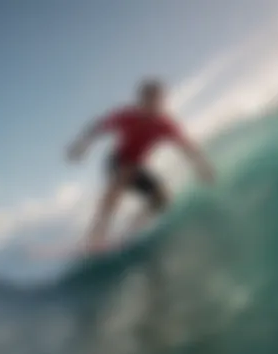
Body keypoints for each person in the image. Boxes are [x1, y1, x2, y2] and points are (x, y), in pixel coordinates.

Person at [66, 79, 215, 251]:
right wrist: (80, 146)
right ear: (141, 100)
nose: (154, 105)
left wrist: (202, 166)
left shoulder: (164, 124)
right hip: (117, 161)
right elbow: (97, 127)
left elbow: (186, 146)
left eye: (158, 100)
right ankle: (96, 234)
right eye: (149, 100)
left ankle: (130, 232)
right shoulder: (126, 116)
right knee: (123, 176)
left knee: (162, 199)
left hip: (137, 166)